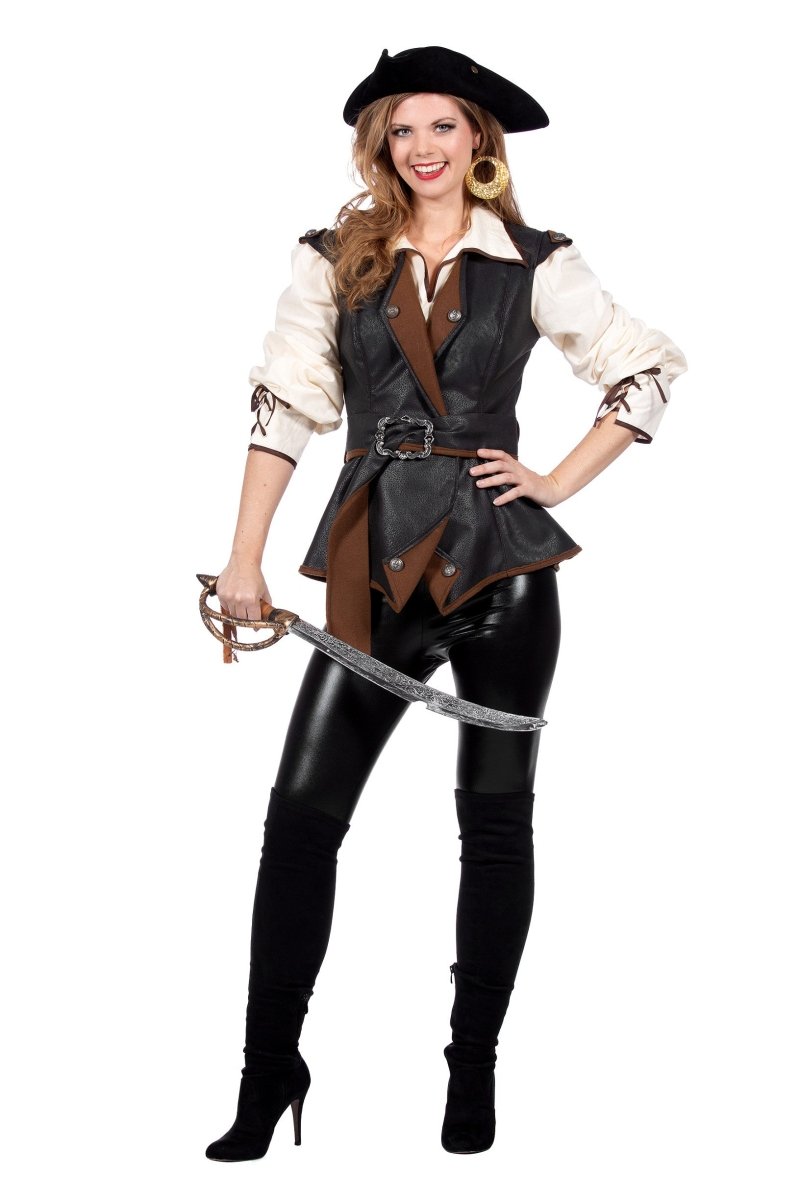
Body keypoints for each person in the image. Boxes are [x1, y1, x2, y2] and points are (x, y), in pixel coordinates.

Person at [204, 45, 687, 1160]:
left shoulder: (534, 261)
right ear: (380, 144)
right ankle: (269, 1072)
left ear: (478, 140)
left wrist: (556, 481)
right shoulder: (335, 260)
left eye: (443, 126)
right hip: (372, 565)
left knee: (495, 828)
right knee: (299, 825)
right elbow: (287, 404)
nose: (423, 147)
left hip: (501, 570)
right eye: (402, 128)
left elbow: (648, 366)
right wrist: (243, 559)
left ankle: (472, 1070)